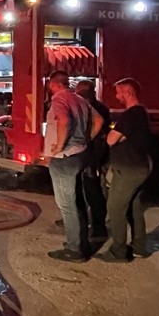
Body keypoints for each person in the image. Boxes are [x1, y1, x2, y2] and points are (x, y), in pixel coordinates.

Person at [100, 77, 153, 262]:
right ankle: (139, 246)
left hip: (128, 170)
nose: (116, 95)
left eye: (119, 92)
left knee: (115, 208)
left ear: (128, 93)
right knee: (134, 207)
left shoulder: (130, 115)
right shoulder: (142, 113)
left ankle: (118, 251)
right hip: (140, 168)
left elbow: (110, 140)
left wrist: (116, 136)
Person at [44, 71, 93, 262]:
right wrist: (85, 140)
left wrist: (59, 145)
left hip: (65, 157)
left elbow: (64, 121)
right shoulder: (81, 100)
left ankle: (75, 250)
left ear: (54, 84)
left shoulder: (59, 99)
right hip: (80, 154)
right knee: (77, 201)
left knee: (66, 205)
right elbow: (96, 121)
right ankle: (82, 243)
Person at [74, 78, 111, 243]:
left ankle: (98, 227)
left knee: (92, 191)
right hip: (96, 154)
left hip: (91, 155)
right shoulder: (102, 108)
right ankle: (81, 222)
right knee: (87, 189)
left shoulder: (90, 109)